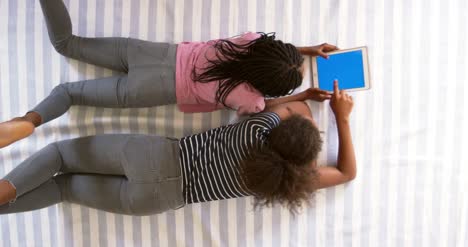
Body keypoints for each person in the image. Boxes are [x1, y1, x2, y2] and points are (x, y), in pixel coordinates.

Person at [0, 0, 336, 148]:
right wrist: (303, 96)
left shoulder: (248, 43)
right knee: (69, 93)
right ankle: (29, 121)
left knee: (67, 43)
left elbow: (269, 50)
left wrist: (306, 50)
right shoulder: (251, 98)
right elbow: (264, 107)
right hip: (153, 89)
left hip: (152, 53)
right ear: (268, 87)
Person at [0, 80, 355, 215]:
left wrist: (316, 104)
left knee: (61, 155)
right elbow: (345, 172)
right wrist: (343, 122)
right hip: (158, 200)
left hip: (156, 158)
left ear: (283, 130)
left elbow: (292, 109)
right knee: (63, 188)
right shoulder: (281, 183)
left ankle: (4, 190)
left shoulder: (259, 127)